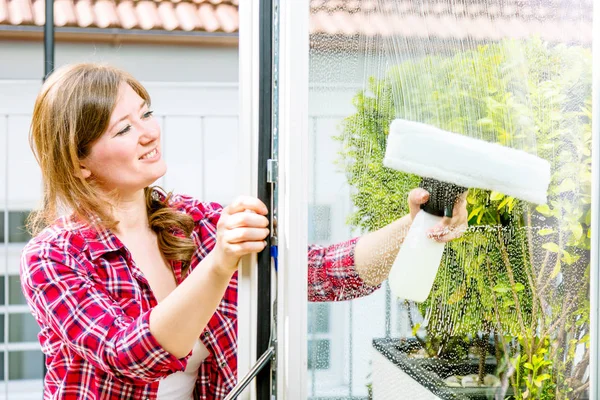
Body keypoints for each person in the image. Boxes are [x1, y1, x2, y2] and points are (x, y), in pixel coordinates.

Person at [20, 63, 468, 400]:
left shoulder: (192, 222)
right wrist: (220, 262)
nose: (149, 133)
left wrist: (415, 224)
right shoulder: (52, 259)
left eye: (146, 113)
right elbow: (132, 355)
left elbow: (320, 272)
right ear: (78, 162)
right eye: (123, 127)